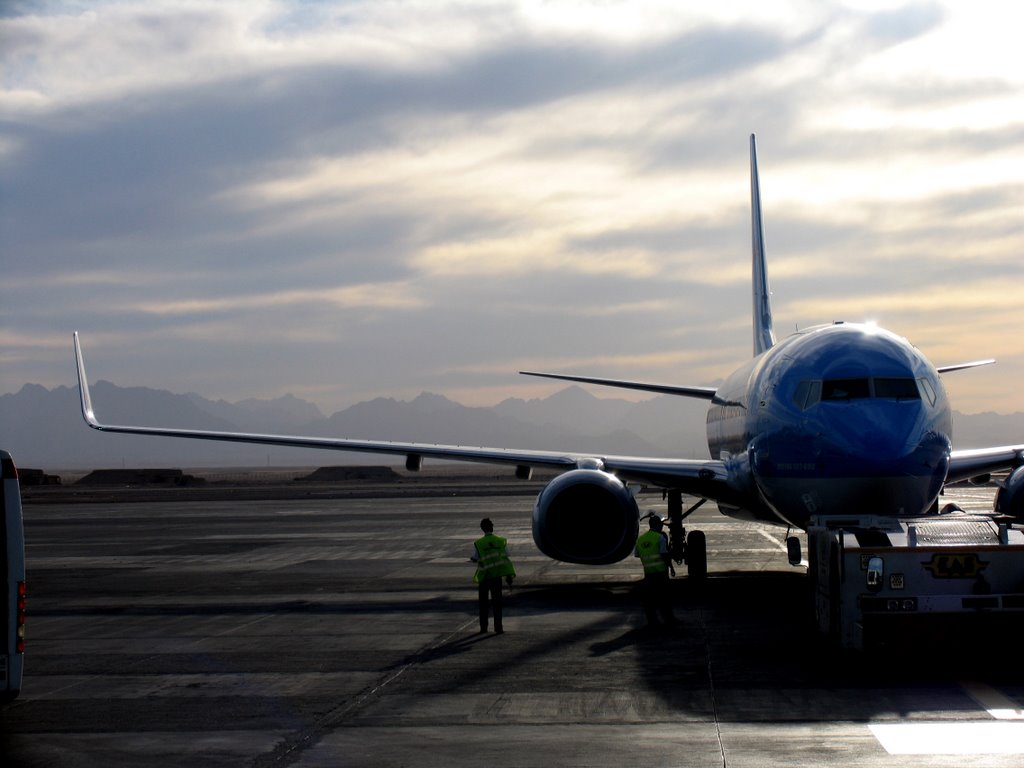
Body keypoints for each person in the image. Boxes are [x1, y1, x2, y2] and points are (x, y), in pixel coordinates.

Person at [471, 518, 516, 633]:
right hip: (496, 577)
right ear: (492, 527)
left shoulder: (479, 543)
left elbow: (475, 558)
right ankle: (498, 627)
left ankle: (483, 628)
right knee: (497, 603)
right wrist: (509, 576)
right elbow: (506, 556)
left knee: (483, 604)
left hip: (484, 577)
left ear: (482, 529)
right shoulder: (501, 541)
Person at [634, 512, 677, 628]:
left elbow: (637, 554)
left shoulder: (640, 539)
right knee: (664, 598)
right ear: (659, 525)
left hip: (648, 574)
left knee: (650, 600)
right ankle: (669, 620)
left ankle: (652, 622)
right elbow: (664, 554)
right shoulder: (660, 537)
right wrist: (671, 567)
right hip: (661, 573)